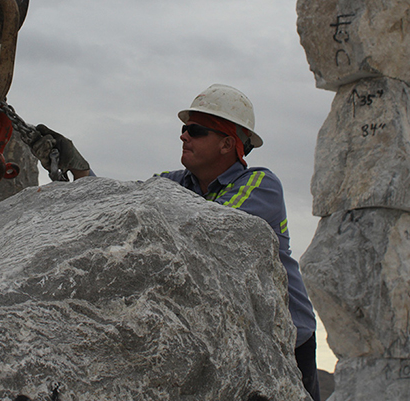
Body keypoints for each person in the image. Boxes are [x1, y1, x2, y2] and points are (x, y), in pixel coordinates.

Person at [28, 84, 320, 400]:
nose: (183, 136)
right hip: (227, 336)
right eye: (184, 129)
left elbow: (209, 229)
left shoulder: (261, 185)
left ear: (227, 144)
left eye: (195, 131)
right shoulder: (172, 184)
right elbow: (121, 207)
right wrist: (78, 168)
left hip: (286, 341)